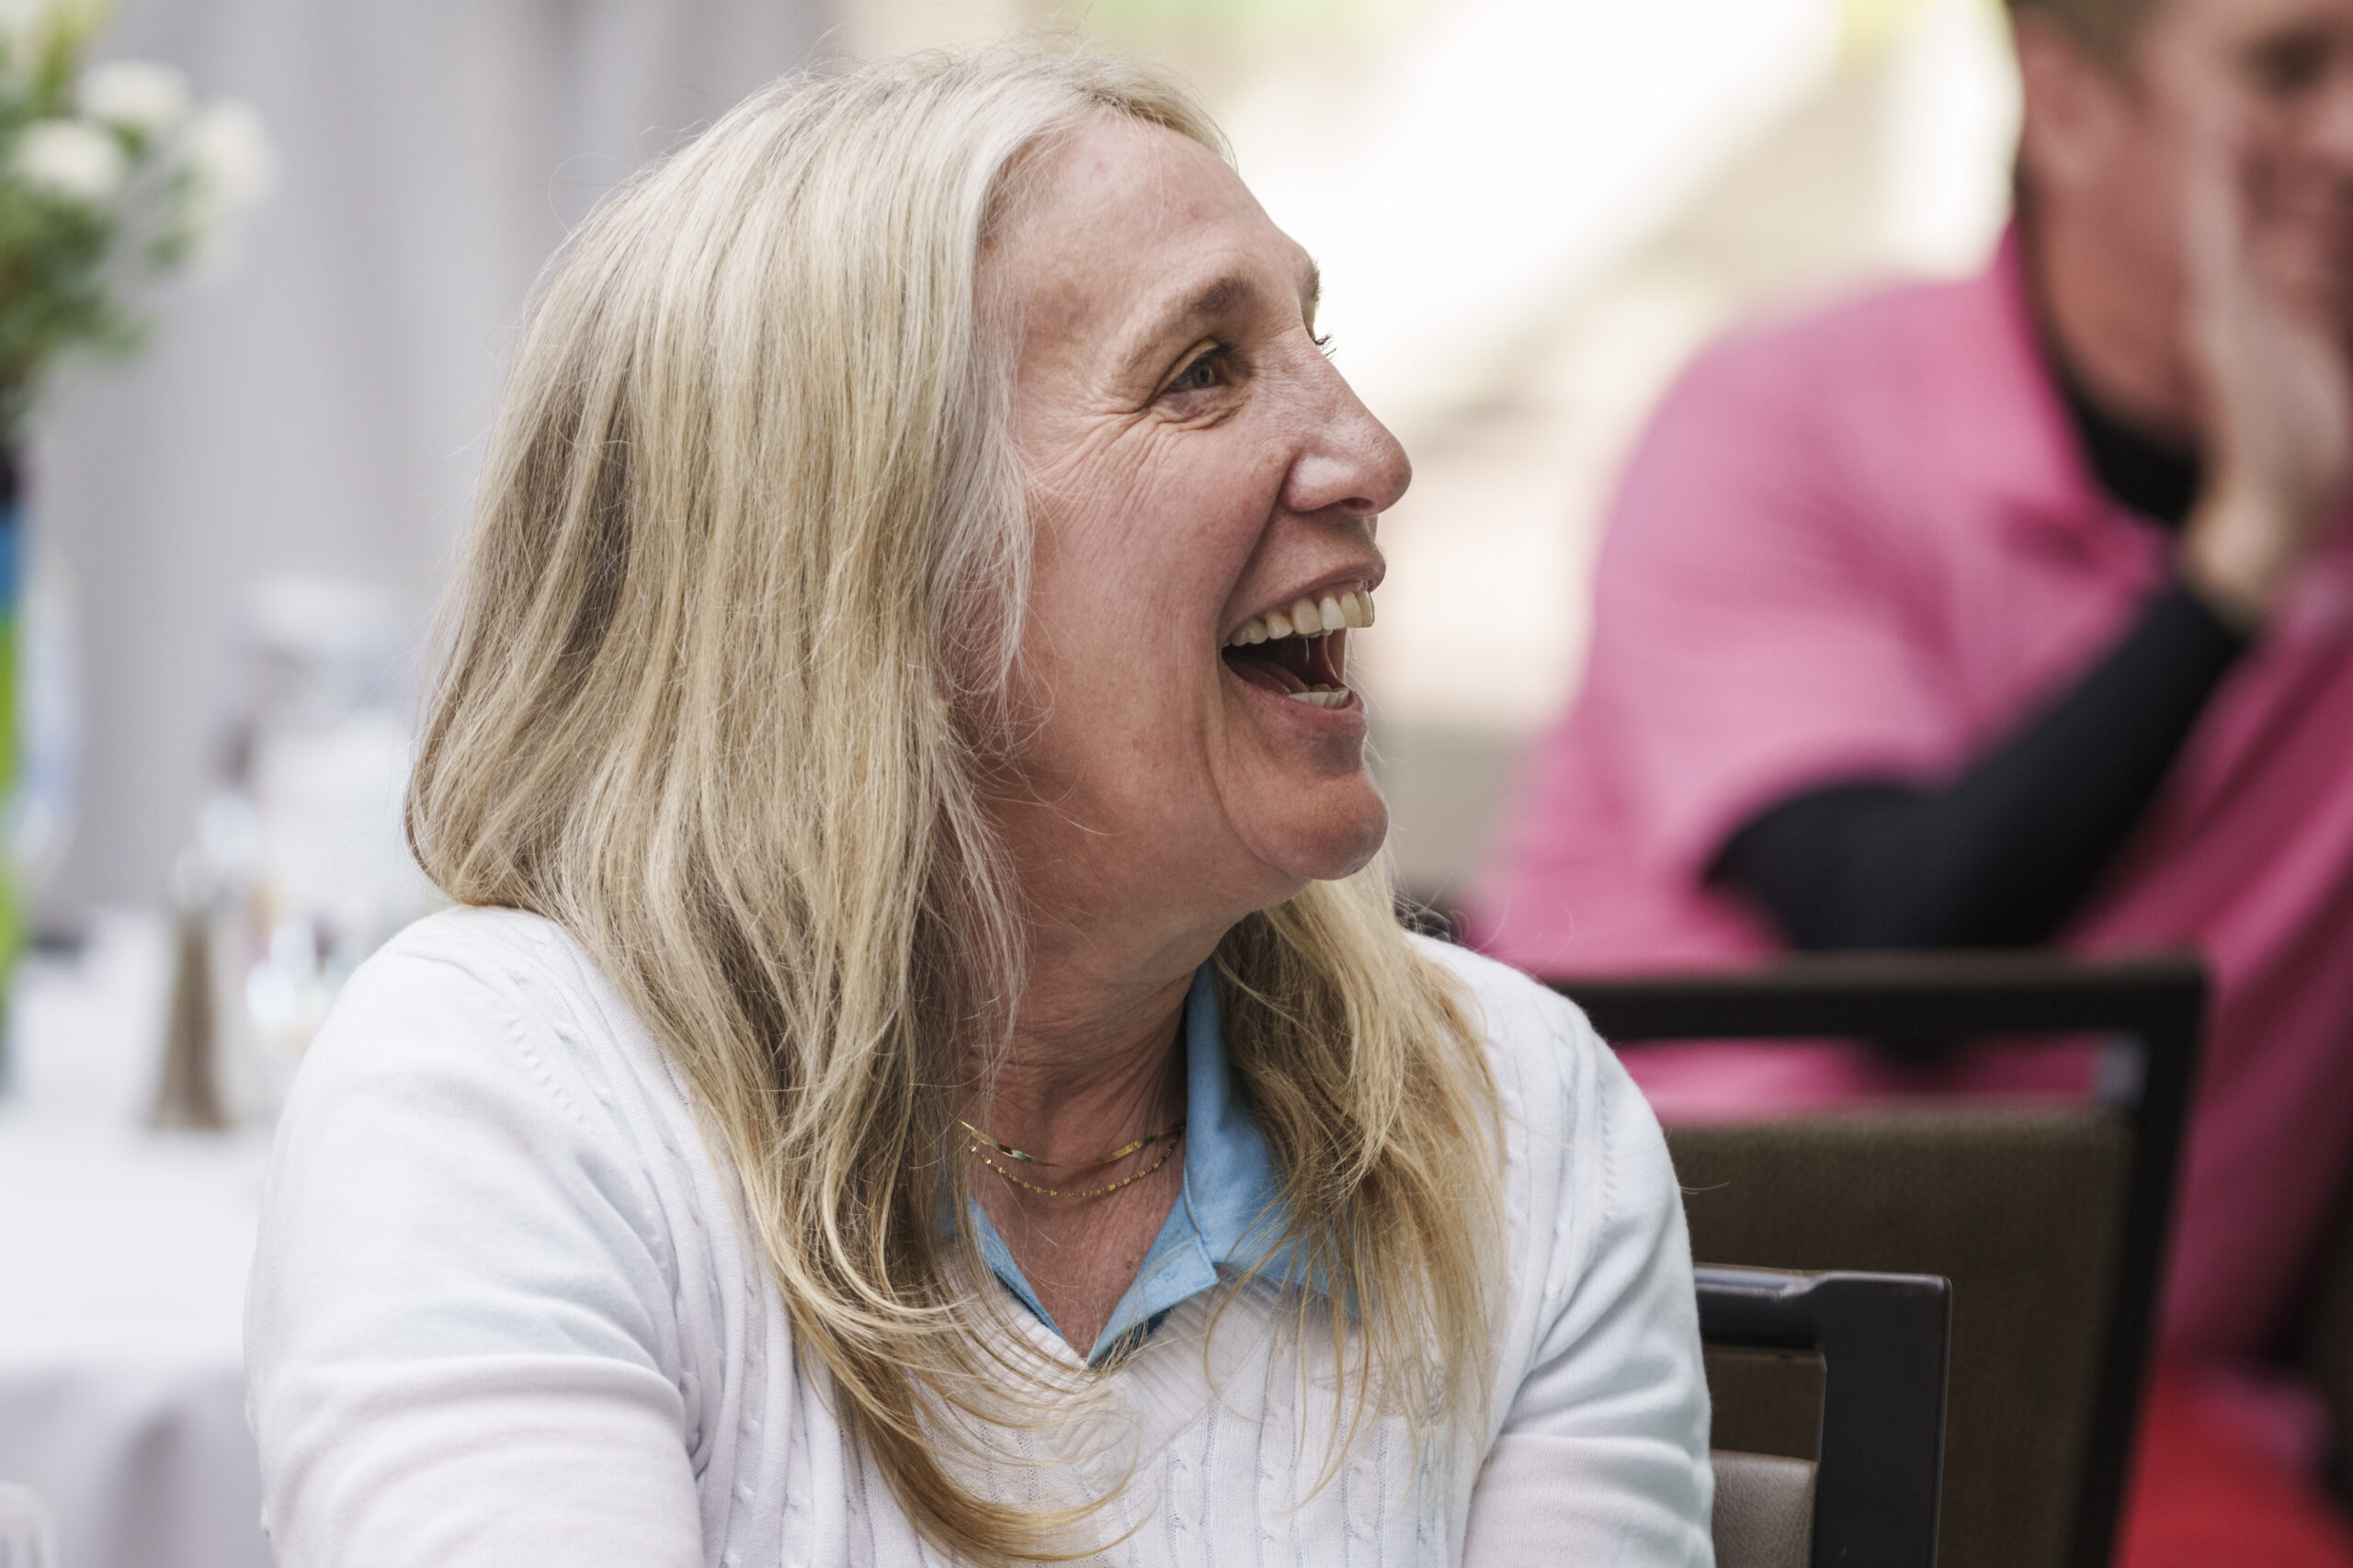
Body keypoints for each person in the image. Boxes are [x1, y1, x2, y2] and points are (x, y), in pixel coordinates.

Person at [242, 47, 1713, 1568]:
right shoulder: (511, 1096)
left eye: (1311, 341)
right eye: (1203, 370)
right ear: (862, 571)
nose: (1370, 456)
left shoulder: (1518, 1122)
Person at [1472, 0, 2353, 1560]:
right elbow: (1900, 944)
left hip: (2139, 1398)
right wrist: (2241, 559)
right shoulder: (1785, 411)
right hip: (1673, 1338)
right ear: (2069, 99)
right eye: (2289, 69)